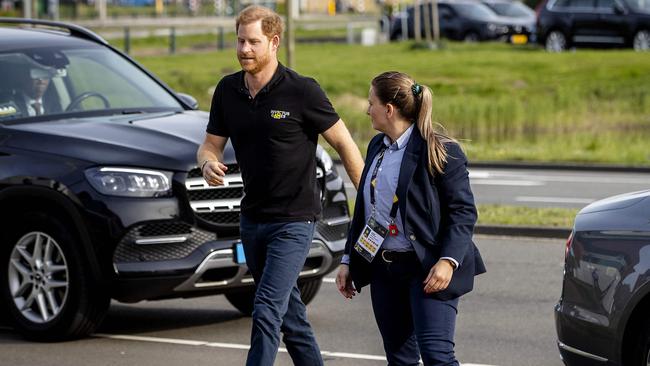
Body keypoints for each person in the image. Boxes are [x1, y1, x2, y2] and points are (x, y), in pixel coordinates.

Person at [196, 5, 364, 366]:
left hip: (294, 220)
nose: (244, 49)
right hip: (252, 219)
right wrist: (208, 162)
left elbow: (345, 144)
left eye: (253, 42)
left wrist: (370, 197)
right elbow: (210, 144)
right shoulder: (227, 91)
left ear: (273, 42)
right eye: (240, 41)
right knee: (290, 316)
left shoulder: (302, 91)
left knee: (267, 308)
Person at [336, 71, 486, 366]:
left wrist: (448, 261)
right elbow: (367, 211)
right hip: (384, 270)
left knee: (436, 356)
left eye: (371, 103)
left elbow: (463, 212)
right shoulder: (377, 147)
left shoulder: (442, 150)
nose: (367, 110)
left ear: (388, 110)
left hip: (427, 268)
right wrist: (347, 260)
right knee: (400, 359)